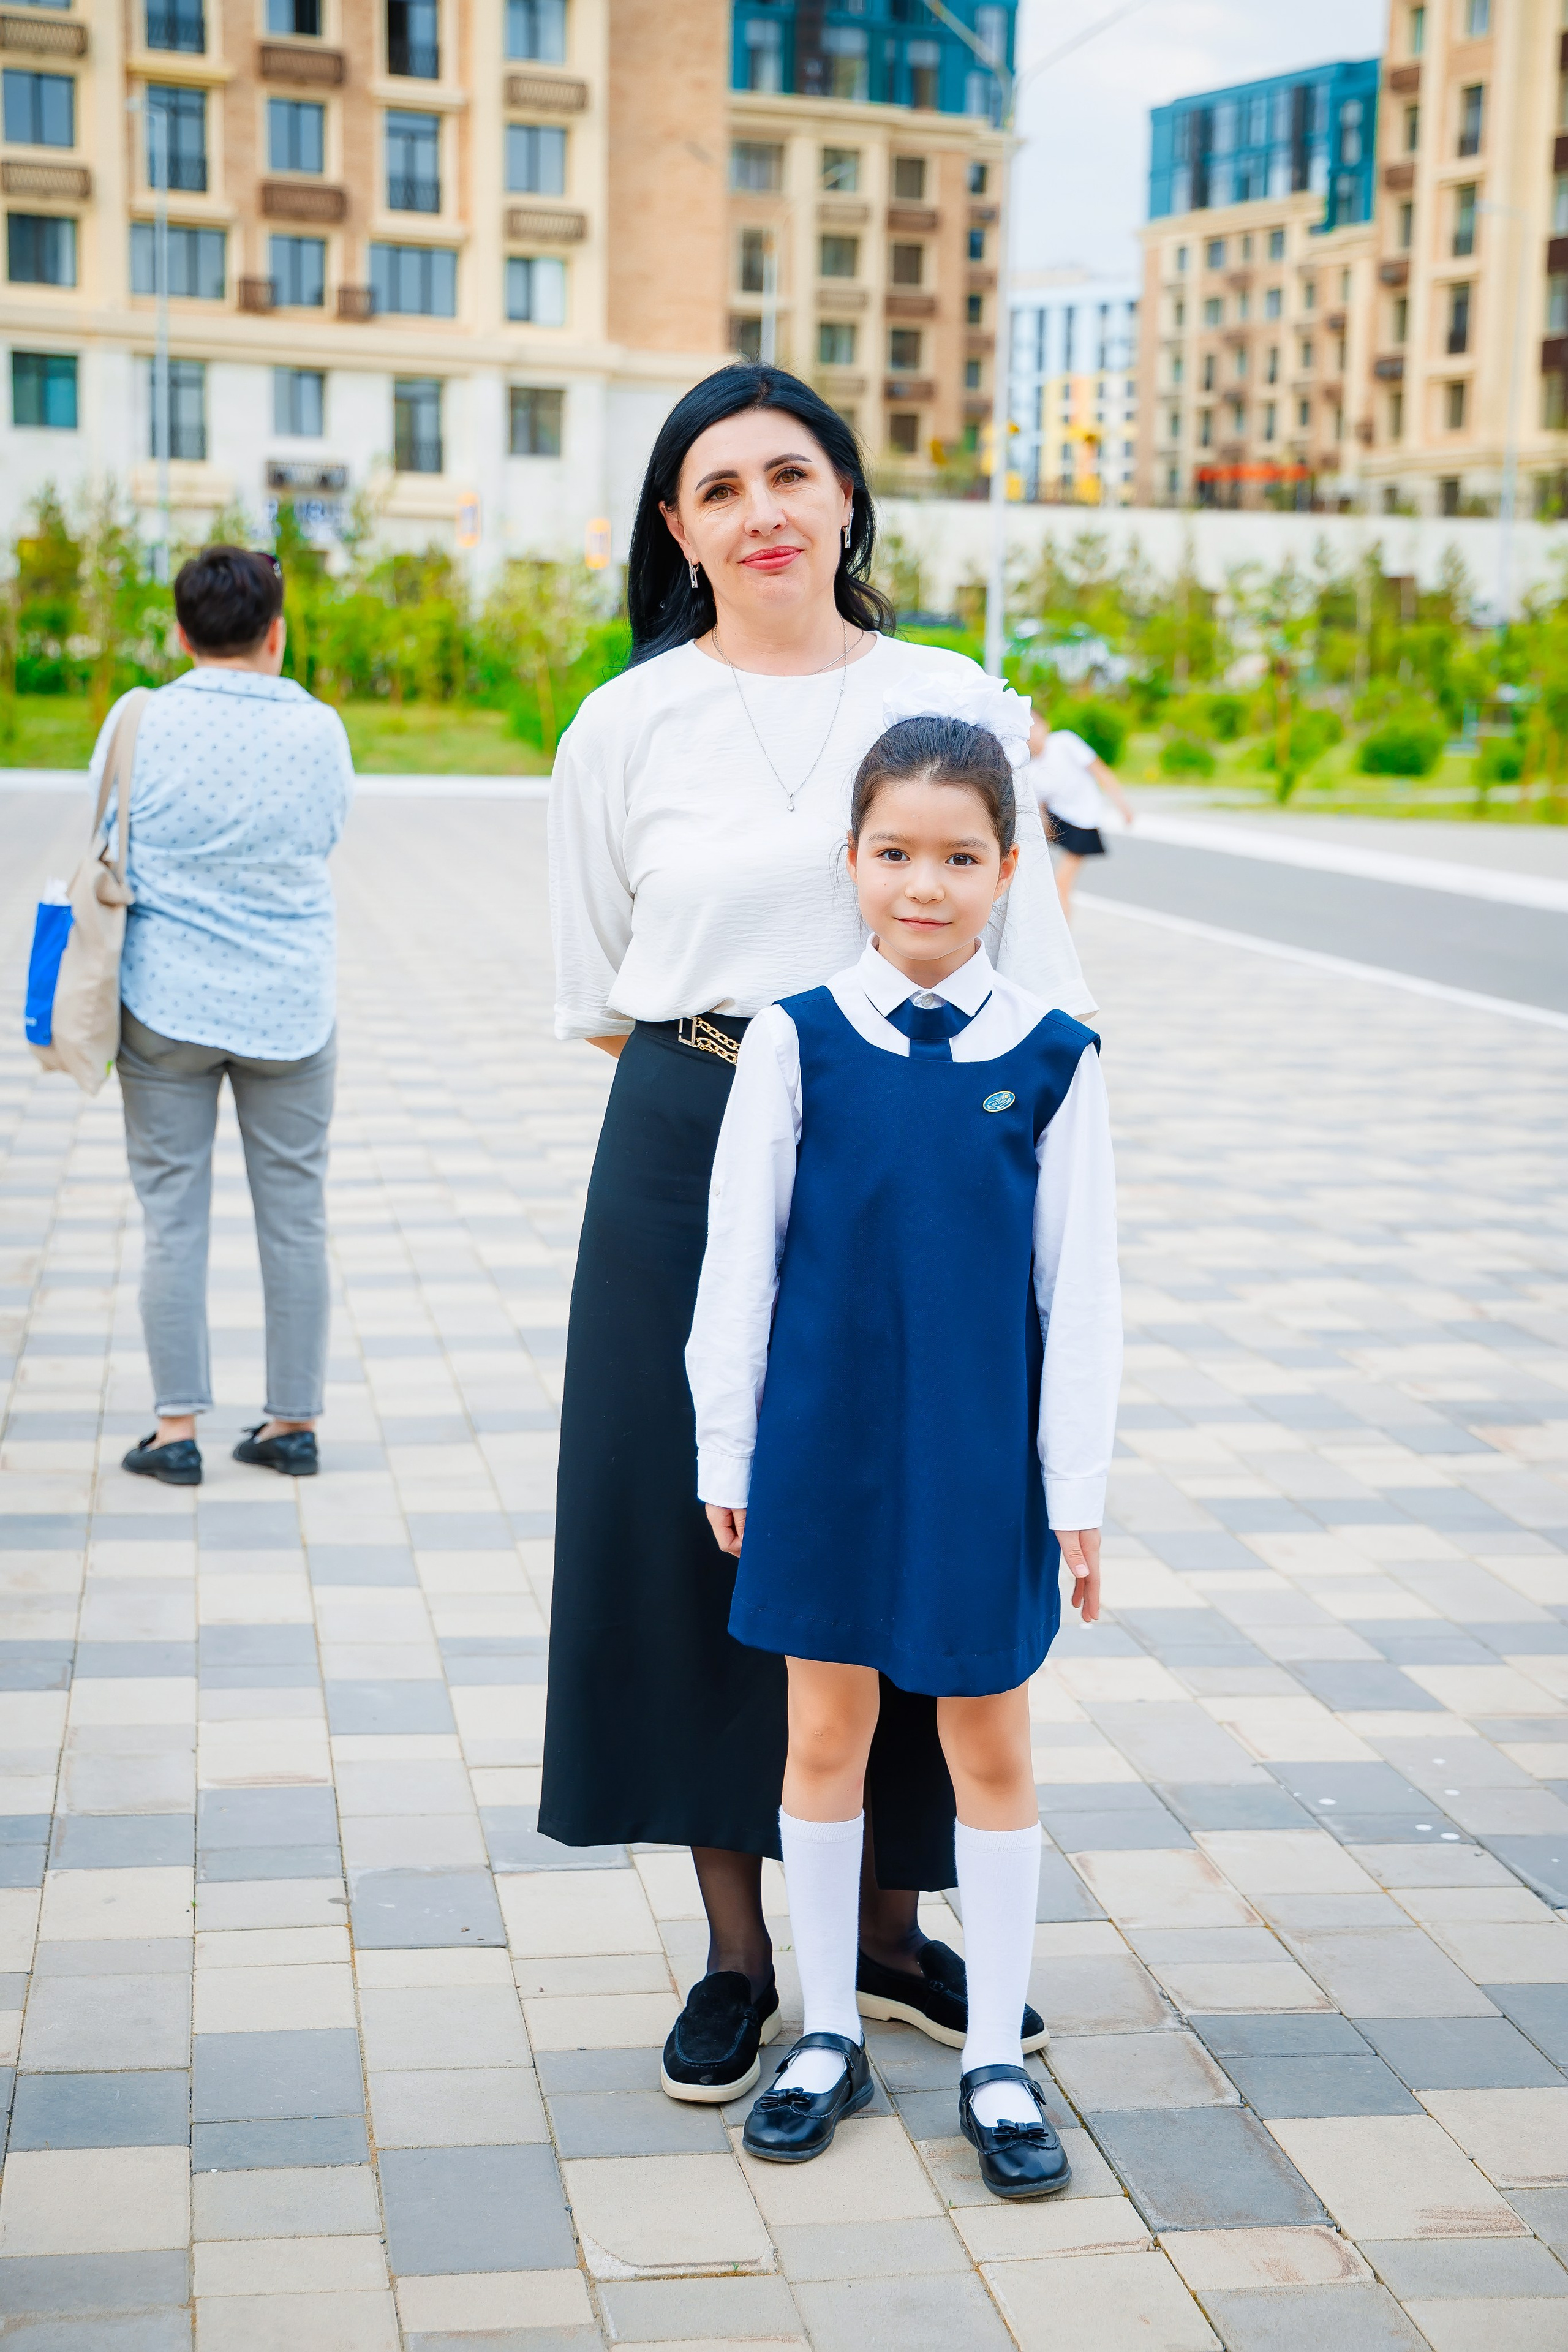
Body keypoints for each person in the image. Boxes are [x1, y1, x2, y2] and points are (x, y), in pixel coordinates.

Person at [543, 361, 1096, 2106]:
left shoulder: (949, 694)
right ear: (677, 530)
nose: (763, 509)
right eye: (721, 488)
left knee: (921, 1502)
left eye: (795, 473)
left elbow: (1032, 942)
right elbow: (602, 984)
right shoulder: (624, 724)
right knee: (697, 1523)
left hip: (920, 1140)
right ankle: (739, 1954)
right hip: (690, 1124)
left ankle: (886, 1928)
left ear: (850, 499)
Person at [688, 687, 1121, 2198]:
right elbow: (737, 1262)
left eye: (955, 857)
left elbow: (1082, 1295)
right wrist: (723, 1451)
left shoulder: (1054, 1055)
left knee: (987, 1736)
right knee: (822, 1734)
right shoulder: (796, 1042)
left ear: (1009, 869)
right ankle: (823, 2035)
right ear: (851, 863)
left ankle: (993, 2047)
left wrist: (1074, 1493)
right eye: (891, 853)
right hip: (819, 1451)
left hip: (970, 1465)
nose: (921, 886)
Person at [104, 544, 354, 1490]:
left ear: (180, 632)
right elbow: (329, 834)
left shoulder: (142, 720)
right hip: (290, 1008)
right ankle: (291, 1424)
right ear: (277, 634)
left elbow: (105, 836)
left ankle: (174, 1433)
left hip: (162, 1003)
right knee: (295, 1218)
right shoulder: (320, 729)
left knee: (173, 1219)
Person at [1026, 709, 1135, 918]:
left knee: (1061, 884)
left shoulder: (1064, 742)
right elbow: (1040, 808)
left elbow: (1100, 770)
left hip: (1084, 819)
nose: (1031, 733)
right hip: (1059, 818)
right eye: (1026, 729)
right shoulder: (1030, 769)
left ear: (1045, 726)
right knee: (1040, 881)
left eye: (1034, 726)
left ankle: (1062, 936)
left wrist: (1123, 805)